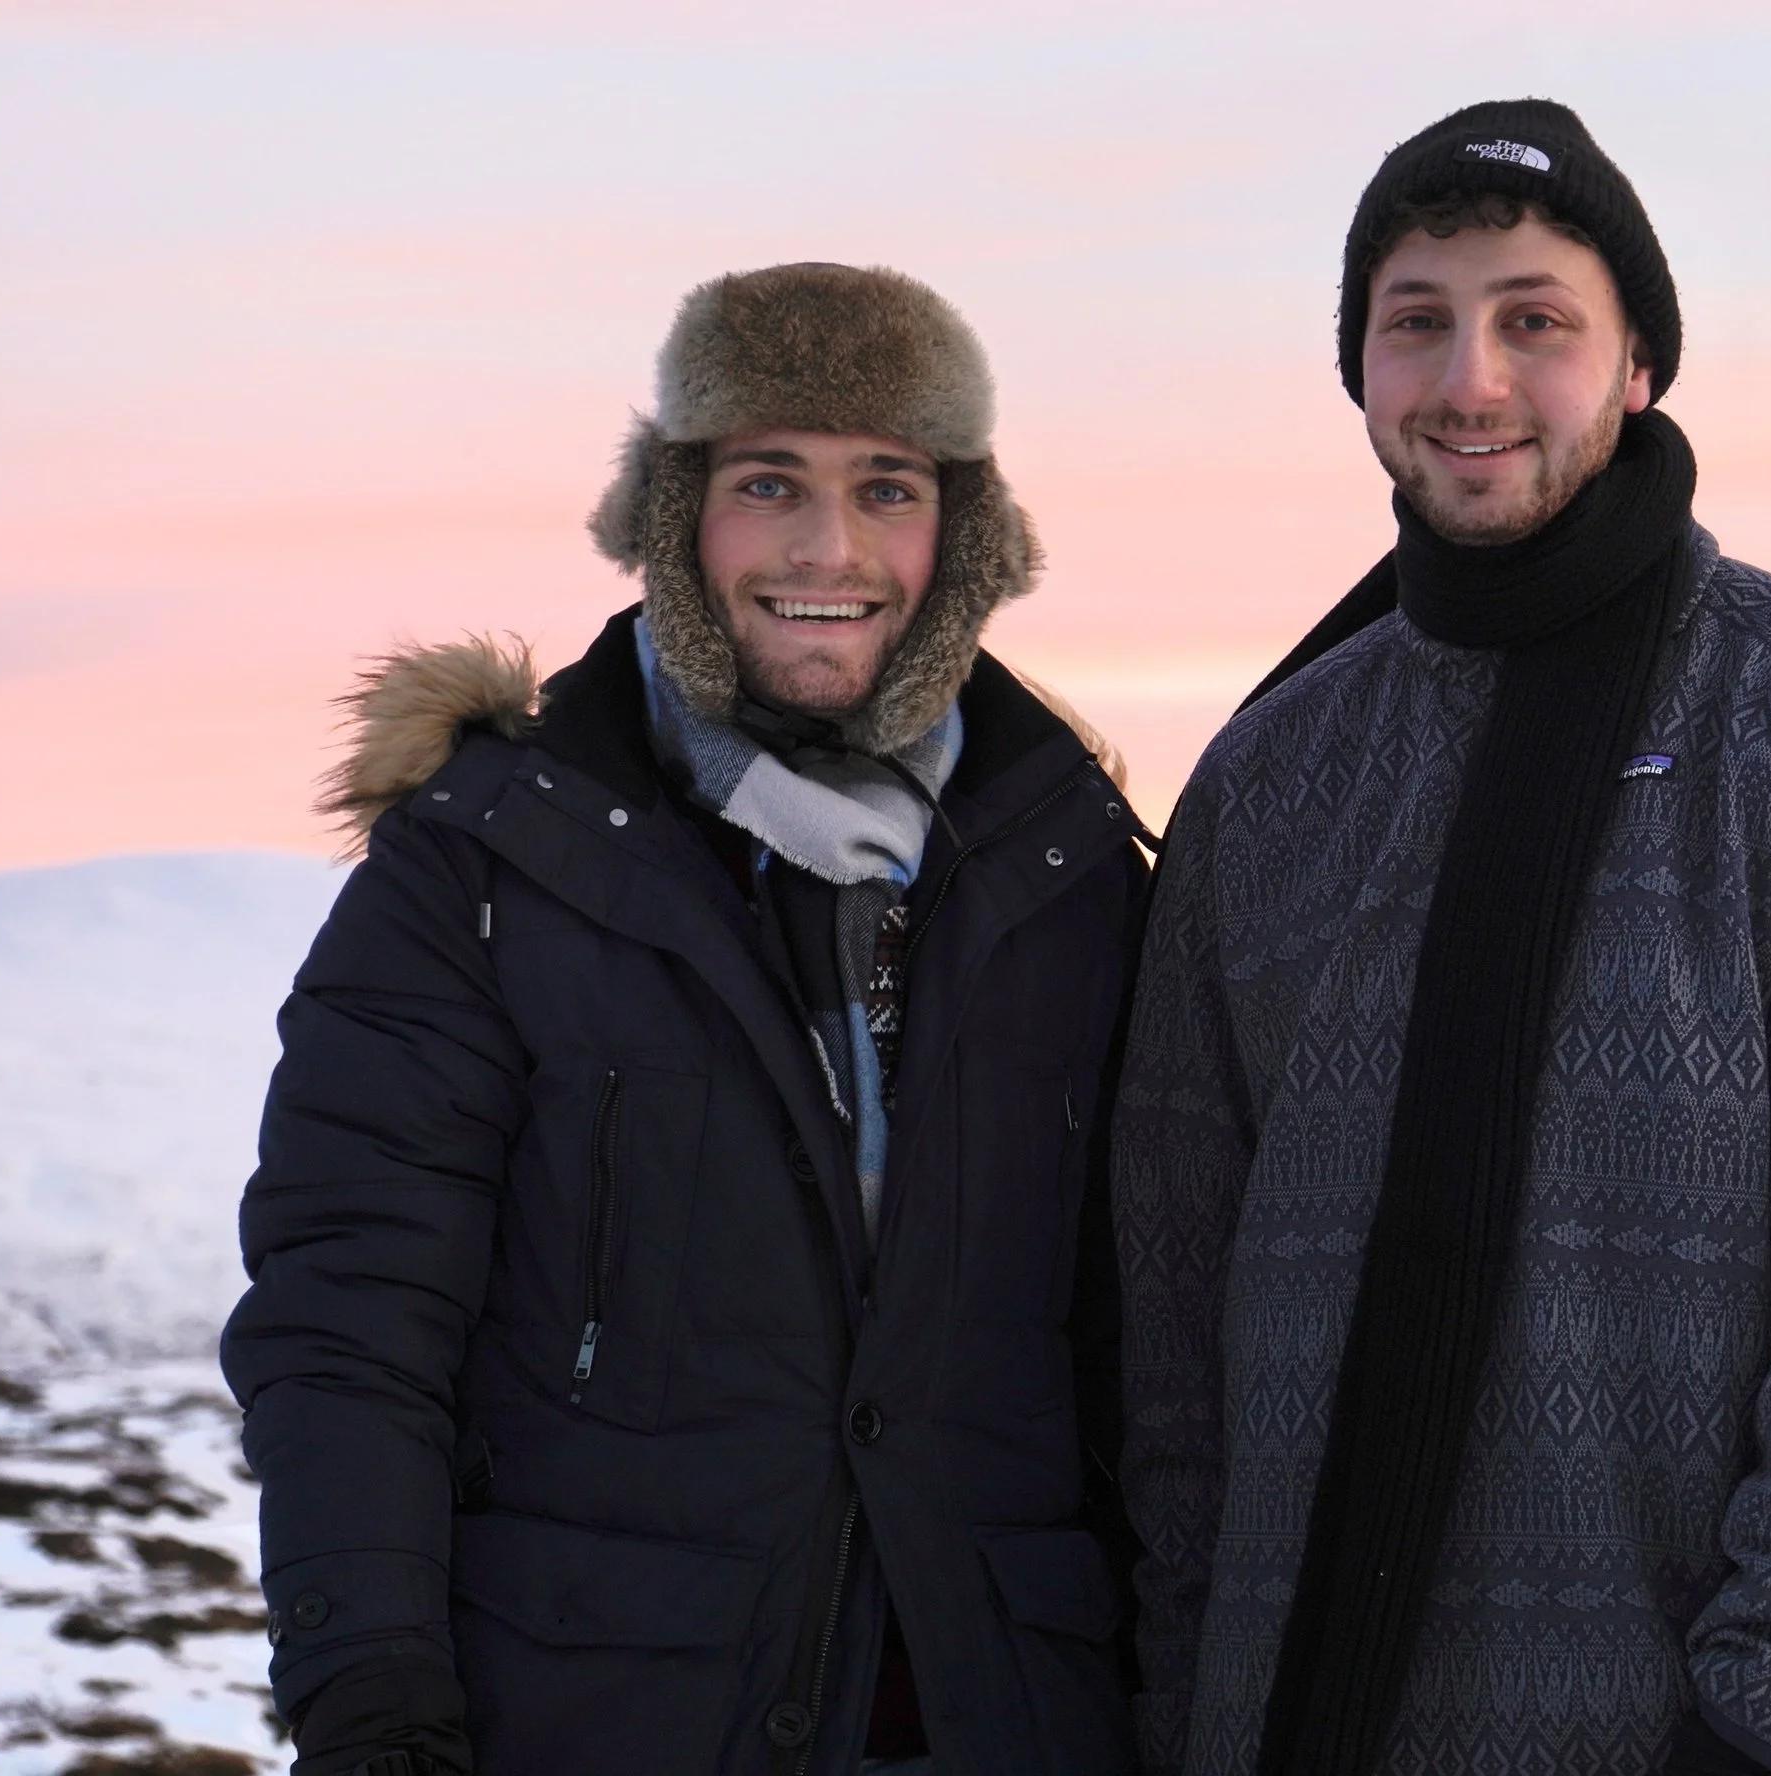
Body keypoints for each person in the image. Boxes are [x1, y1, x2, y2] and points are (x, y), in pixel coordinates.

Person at [1113, 100, 1771, 1776]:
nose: (1472, 381)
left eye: (1536, 320)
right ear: (1359, 372)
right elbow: (1169, 1320)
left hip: (1721, 1735)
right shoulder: (1269, 781)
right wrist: (1178, 1708)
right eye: (1418, 322)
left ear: (1639, 364)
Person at [222, 263, 1146, 1776]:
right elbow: (351, 1319)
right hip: (598, 1714)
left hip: (1008, 1716)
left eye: (888, 487)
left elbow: (1146, 1353)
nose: (828, 548)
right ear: (676, 518)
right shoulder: (491, 864)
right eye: (767, 483)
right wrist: (372, 1704)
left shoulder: (1068, 872)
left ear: (962, 533)